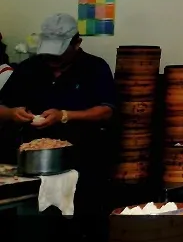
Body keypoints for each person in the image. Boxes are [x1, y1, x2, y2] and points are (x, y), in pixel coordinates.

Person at [0, 14, 116, 215]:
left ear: (77, 43)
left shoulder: (95, 68)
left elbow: (106, 111)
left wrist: (65, 115)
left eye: (59, 52)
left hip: (82, 161)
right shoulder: (29, 68)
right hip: (30, 161)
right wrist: (12, 113)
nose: (52, 58)